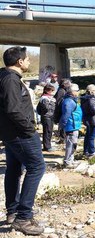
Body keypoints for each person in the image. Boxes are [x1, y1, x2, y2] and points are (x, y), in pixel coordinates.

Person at [0, 46, 46, 235]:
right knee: (37, 167)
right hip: (20, 134)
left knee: (14, 170)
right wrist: (30, 129)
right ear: (19, 62)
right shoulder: (11, 79)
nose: (28, 61)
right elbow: (13, 109)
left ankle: (13, 211)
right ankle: (23, 217)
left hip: (11, 134)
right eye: (27, 59)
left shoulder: (4, 77)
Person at [59, 83, 82, 168]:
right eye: (77, 90)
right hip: (70, 126)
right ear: (72, 91)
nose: (78, 92)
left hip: (74, 125)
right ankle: (67, 162)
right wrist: (62, 127)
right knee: (70, 144)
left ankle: (71, 160)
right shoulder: (68, 101)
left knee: (73, 144)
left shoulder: (71, 100)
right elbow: (66, 115)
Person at [81, 84, 95, 157]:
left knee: (88, 136)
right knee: (91, 137)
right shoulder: (92, 99)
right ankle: (91, 152)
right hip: (93, 121)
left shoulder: (85, 98)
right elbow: (93, 110)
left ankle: (86, 151)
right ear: (91, 91)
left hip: (89, 120)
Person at [36, 84, 56, 152]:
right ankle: (47, 147)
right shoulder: (44, 98)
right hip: (46, 117)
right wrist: (52, 103)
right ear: (47, 90)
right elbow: (46, 108)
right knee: (47, 132)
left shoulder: (49, 98)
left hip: (50, 116)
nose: (52, 92)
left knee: (49, 131)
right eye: (51, 90)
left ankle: (48, 145)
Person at [54, 78, 72, 144]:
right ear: (65, 85)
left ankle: (63, 138)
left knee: (64, 124)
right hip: (61, 110)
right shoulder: (61, 91)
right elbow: (58, 102)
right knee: (62, 124)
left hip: (63, 109)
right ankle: (62, 138)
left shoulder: (63, 90)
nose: (70, 86)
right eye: (69, 84)